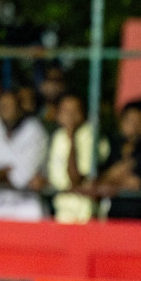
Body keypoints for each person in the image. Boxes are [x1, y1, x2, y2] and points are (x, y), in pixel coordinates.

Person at [0, 88, 48, 221]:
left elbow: (21, 177)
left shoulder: (35, 130)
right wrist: (4, 171)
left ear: (20, 108)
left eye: (10, 106)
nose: (6, 110)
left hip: (27, 203)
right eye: (2, 107)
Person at [45, 93, 101, 224]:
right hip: (61, 210)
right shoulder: (58, 136)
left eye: (74, 111)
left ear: (83, 114)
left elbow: (75, 179)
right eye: (65, 111)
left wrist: (72, 137)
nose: (69, 116)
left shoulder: (90, 135)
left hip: (84, 213)